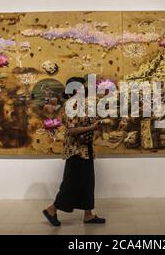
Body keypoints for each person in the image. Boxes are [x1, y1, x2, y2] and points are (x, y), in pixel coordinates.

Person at [43, 76, 106, 226]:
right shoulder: (70, 106)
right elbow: (72, 130)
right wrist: (92, 127)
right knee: (71, 183)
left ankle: (88, 215)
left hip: (86, 149)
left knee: (88, 183)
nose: (83, 89)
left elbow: (88, 123)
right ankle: (51, 209)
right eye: (80, 87)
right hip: (76, 150)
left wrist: (97, 124)